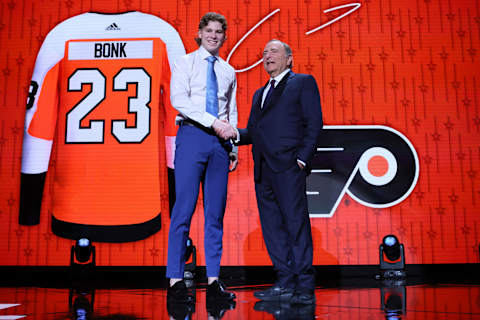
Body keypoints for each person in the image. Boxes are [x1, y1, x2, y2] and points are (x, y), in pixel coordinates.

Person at [235, 39, 323, 305]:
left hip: (288, 168)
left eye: (273, 51)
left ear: (289, 59)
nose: (267, 56)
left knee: (296, 225)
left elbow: (314, 123)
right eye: (264, 53)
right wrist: (229, 133)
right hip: (263, 170)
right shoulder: (258, 94)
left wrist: (302, 160)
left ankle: (305, 286)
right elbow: (253, 131)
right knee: (272, 229)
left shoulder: (302, 82)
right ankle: (284, 282)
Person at [166, 12, 238, 303]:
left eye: (219, 31)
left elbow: (230, 112)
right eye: (209, 30)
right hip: (192, 136)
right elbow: (178, 100)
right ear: (199, 33)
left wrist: (232, 145)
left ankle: (213, 282)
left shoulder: (229, 71)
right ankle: (175, 281)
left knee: (215, 214)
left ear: (223, 36)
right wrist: (213, 122)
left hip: (220, 144)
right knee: (182, 210)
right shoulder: (184, 63)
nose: (214, 35)